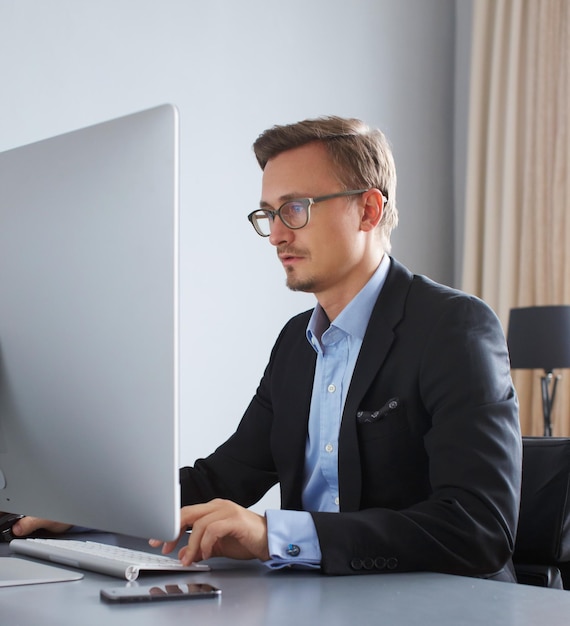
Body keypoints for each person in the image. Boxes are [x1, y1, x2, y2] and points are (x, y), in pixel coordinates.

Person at [12, 116, 522, 581]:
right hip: (321, 600)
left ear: (368, 209)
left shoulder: (454, 327)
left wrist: (275, 537)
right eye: (269, 214)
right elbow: (224, 477)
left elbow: (479, 527)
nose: (276, 235)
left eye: (295, 209)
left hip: (437, 605)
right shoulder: (295, 344)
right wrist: (90, 507)